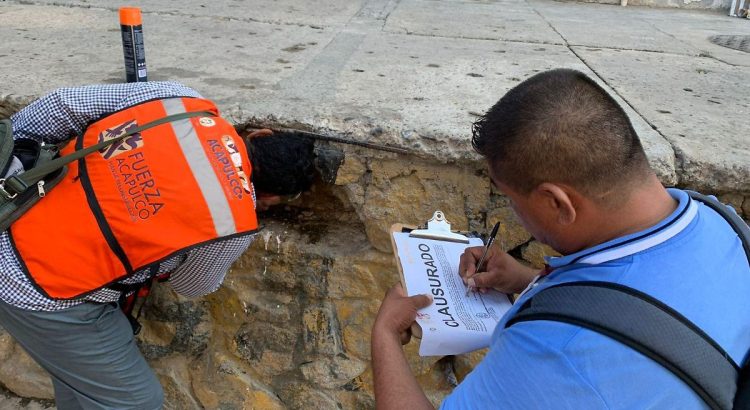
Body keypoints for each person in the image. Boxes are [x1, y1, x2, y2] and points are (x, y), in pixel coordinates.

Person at [371, 69, 750, 409]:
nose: (514, 211)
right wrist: (525, 279)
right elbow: (651, 301)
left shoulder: (559, 352)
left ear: (557, 203)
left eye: (511, 199)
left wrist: (386, 337)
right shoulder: (719, 221)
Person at [0, 81, 315, 409]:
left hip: (10, 214)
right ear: (269, 197)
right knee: (136, 401)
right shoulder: (234, 223)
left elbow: (63, 104)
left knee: (85, 384)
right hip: (34, 285)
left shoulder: (182, 99)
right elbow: (192, 284)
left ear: (260, 134)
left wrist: (8, 161)